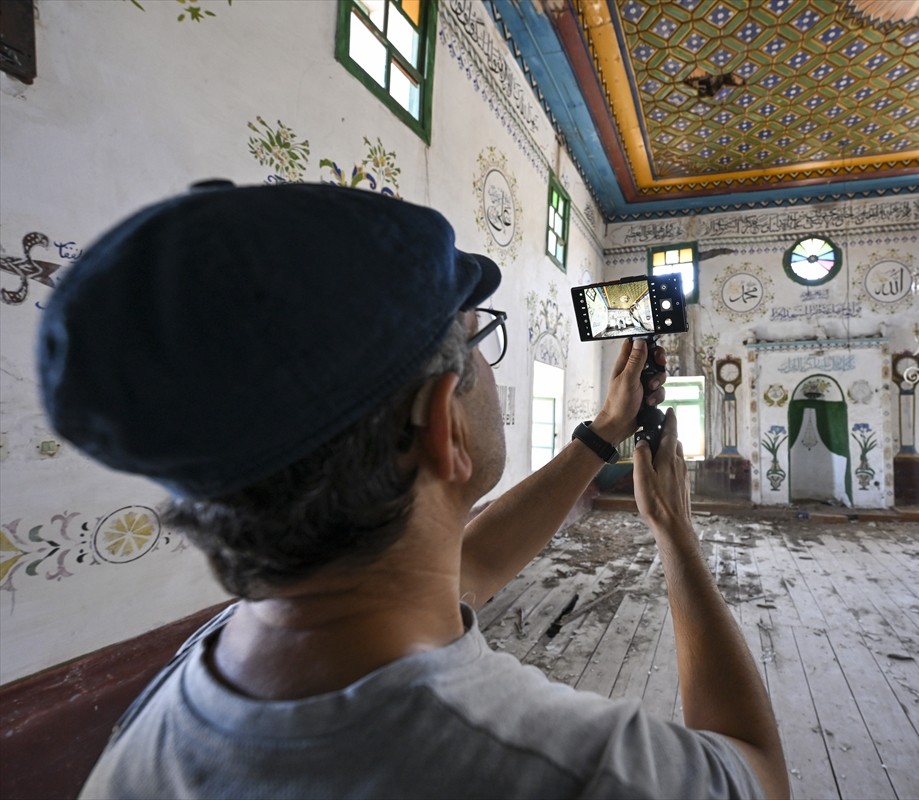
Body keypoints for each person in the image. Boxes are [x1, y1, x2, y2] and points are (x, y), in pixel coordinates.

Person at [37, 182, 788, 799]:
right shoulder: (581, 772)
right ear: (442, 424)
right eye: (479, 335)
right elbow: (754, 766)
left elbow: (465, 568)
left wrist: (599, 439)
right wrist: (678, 538)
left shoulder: (184, 700)